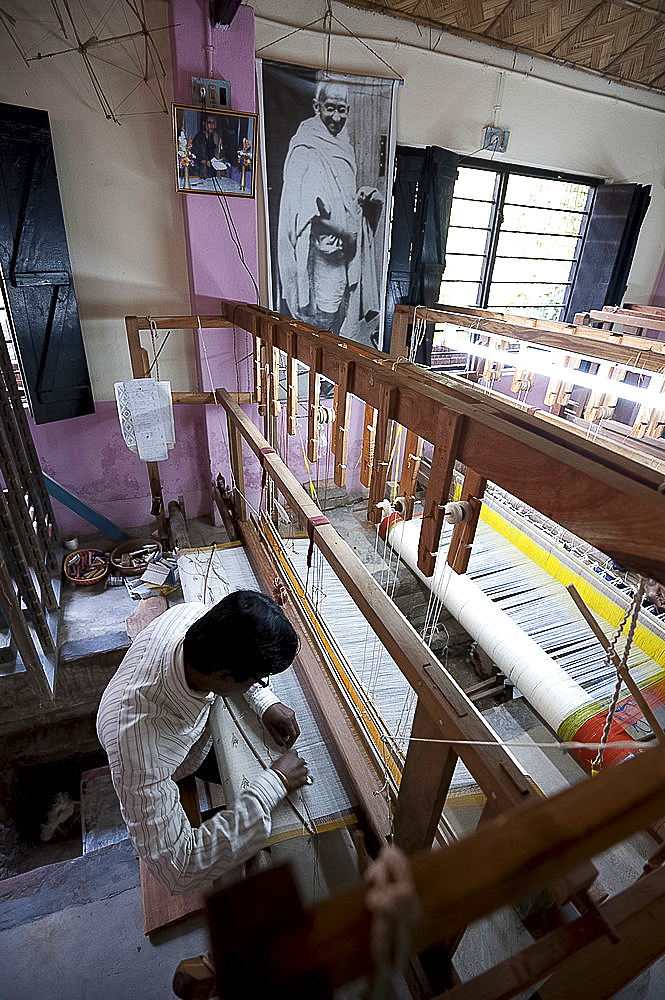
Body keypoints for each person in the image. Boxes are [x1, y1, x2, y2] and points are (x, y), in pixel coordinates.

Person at [96, 590, 309, 894]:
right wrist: (274, 784)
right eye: (257, 679)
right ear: (223, 676)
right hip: (164, 758)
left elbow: (232, 656)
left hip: (181, 736)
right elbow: (180, 869)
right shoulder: (139, 748)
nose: (258, 685)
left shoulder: (195, 618)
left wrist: (264, 701)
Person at [277, 80, 383, 346]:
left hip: (345, 251)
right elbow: (303, 214)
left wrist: (362, 200)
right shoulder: (306, 147)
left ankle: (329, 379)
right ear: (317, 107)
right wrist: (342, 230)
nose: (336, 117)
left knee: (342, 317)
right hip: (321, 255)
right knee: (322, 319)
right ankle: (317, 375)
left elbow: (341, 199)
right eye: (330, 108)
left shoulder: (343, 144)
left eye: (342, 110)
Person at [190, 114, 225, 181]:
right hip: (200, 171)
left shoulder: (217, 137)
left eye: (214, 123)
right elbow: (194, 154)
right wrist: (203, 161)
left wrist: (217, 160)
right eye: (209, 122)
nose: (212, 125)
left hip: (214, 171)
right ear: (204, 123)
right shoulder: (199, 137)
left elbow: (222, 154)